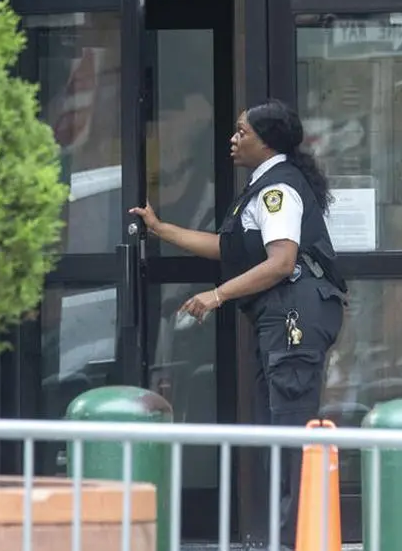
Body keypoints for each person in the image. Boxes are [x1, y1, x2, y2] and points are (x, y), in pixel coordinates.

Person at [129, 98, 349, 550]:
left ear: (265, 141)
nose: (233, 139)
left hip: (295, 314)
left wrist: (218, 295)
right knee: (276, 426)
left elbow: (282, 261)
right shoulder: (262, 186)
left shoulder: (278, 190)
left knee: (290, 431)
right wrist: (161, 229)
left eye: (241, 131)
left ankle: (294, 540)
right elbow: (227, 248)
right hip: (283, 315)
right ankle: (284, 536)